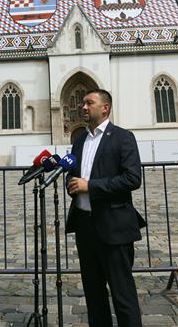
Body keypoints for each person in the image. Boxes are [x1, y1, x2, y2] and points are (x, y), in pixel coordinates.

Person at [65, 89, 146, 327]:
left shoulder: (122, 137)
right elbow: (74, 173)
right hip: (85, 226)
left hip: (114, 226)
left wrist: (90, 186)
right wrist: (71, 184)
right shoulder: (79, 141)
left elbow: (132, 179)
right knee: (93, 294)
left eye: (89, 103)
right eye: (83, 103)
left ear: (105, 107)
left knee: (123, 295)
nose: (84, 107)